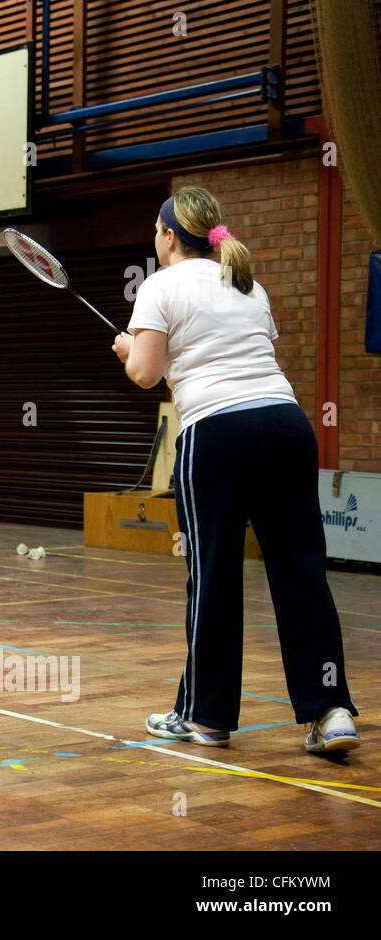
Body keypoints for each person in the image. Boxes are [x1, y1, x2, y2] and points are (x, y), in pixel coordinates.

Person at [114, 185, 360, 755]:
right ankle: (332, 711)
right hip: (286, 427)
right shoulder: (249, 284)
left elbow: (148, 376)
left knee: (214, 577)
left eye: (156, 231)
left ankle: (207, 717)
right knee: (301, 572)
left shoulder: (159, 285)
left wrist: (130, 353)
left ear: (170, 236)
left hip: (217, 436)